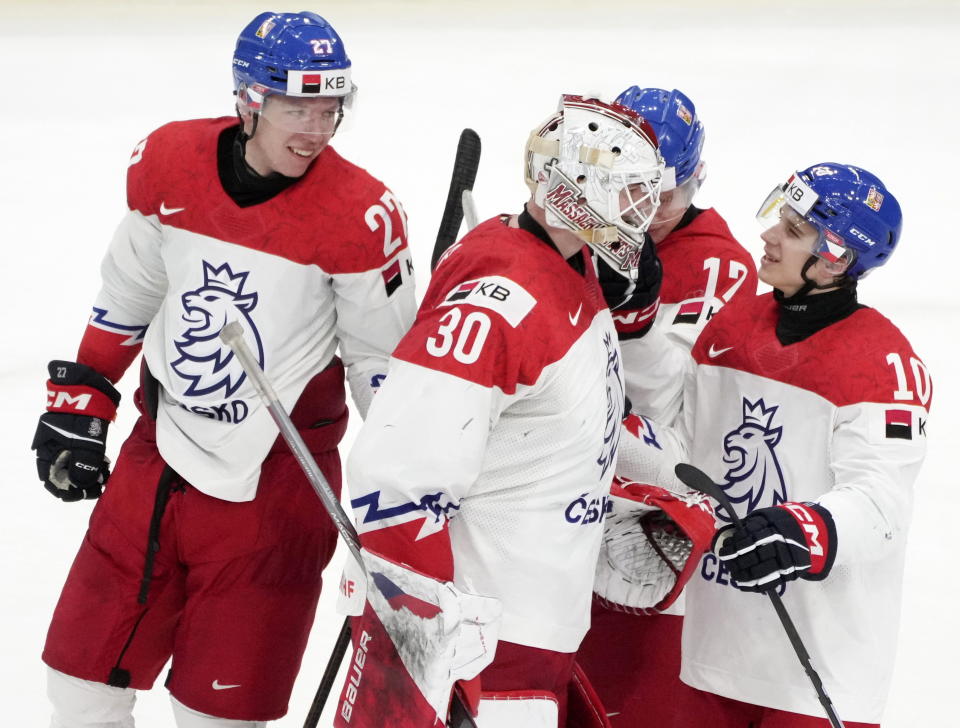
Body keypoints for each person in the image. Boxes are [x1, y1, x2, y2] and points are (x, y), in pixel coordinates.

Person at [31, 12, 416, 727]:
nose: (316, 129)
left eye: (330, 109)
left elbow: (379, 366)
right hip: (159, 458)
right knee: (80, 687)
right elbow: (131, 292)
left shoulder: (361, 216)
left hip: (279, 485)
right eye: (297, 107)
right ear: (250, 101)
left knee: (220, 719)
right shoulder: (171, 163)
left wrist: (410, 481)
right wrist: (80, 402)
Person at [330, 95, 665, 728]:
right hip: (484, 649)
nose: (639, 216)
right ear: (575, 190)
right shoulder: (502, 301)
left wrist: (646, 487)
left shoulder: (570, 267)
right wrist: (426, 647)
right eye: (626, 195)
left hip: (536, 635)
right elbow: (397, 483)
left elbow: (559, 426)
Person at [608, 162, 929, 727]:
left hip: (820, 669)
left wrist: (807, 529)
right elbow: (676, 430)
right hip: (709, 649)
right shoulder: (732, 328)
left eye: (793, 229)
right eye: (778, 218)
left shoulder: (884, 364)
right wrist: (636, 332)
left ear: (835, 256)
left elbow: (882, 502)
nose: (768, 235)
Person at [576, 87, 758, 727]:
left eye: (669, 194)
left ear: (697, 179)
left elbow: (669, 411)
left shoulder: (720, 266)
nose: (648, 211)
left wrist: (633, 323)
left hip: (645, 519)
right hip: (550, 508)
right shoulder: (569, 227)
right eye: (634, 190)